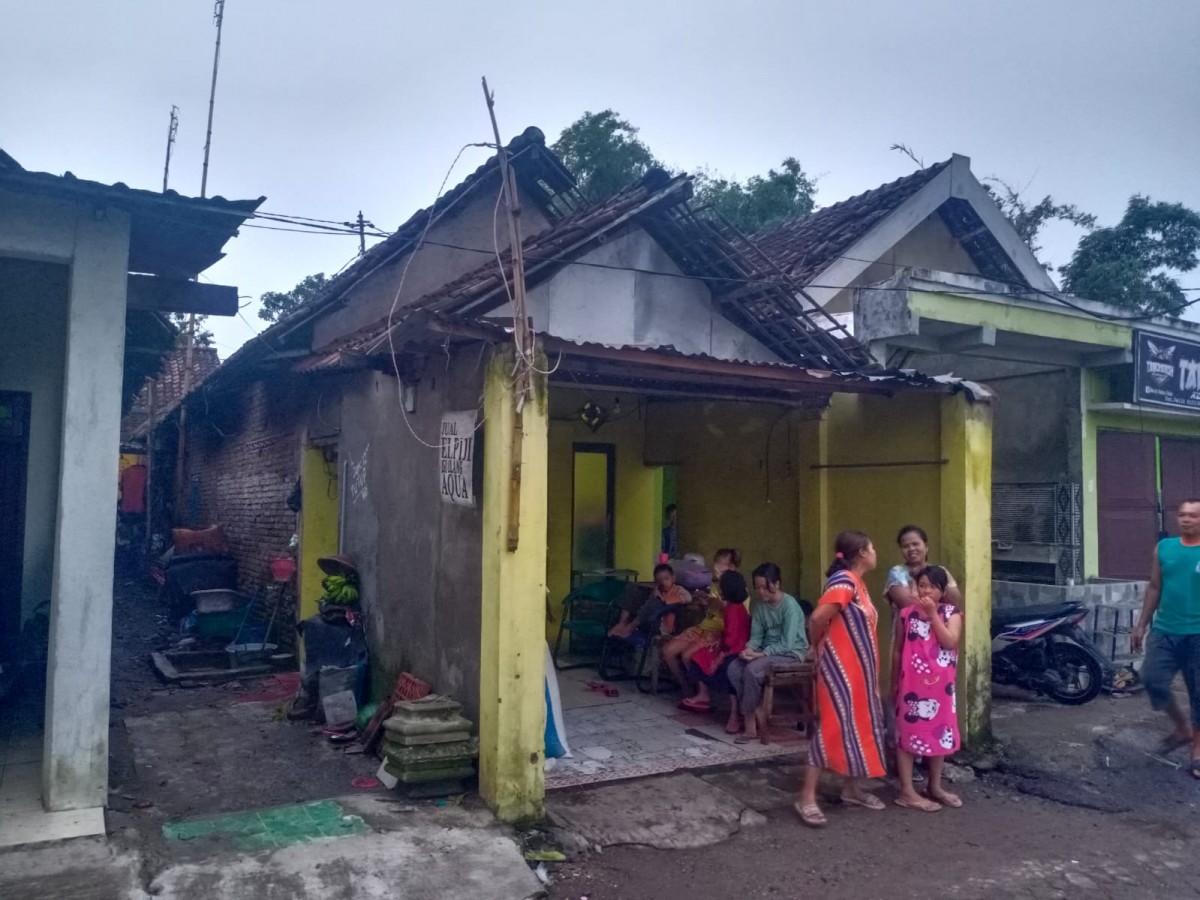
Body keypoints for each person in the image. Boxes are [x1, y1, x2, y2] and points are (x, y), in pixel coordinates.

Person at [796, 531, 887, 827]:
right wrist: (814, 646)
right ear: (861, 552)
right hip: (840, 671)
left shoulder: (859, 583)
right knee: (831, 729)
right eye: (872, 547)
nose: (876, 551)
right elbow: (817, 618)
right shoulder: (845, 582)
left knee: (858, 727)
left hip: (858, 674)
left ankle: (851, 788)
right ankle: (806, 797)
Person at [1131, 498, 1200, 778]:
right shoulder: (1164, 548)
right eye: (1182, 515)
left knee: (1199, 694)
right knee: (1152, 679)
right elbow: (1154, 587)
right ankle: (1181, 728)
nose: (1186, 519)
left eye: (1193, 516)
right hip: (1165, 631)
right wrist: (1140, 625)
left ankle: (1197, 751)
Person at [893, 566, 964, 811]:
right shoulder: (906, 614)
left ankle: (934, 786)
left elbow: (950, 641)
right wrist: (893, 682)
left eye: (932, 587)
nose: (925, 590)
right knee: (907, 735)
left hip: (941, 689)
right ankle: (906, 790)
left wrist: (933, 614)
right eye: (921, 585)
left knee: (938, 731)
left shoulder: (951, 613)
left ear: (942, 591)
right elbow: (897, 650)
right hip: (911, 686)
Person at [726, 563, 809, 743]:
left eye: (765, 587)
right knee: (733, 667)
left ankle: (750, 726)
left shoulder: (790, 606)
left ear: (776, 584)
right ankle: (757, 709)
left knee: (751, 670)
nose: (761, 592)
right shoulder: (759, 607)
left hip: (791, 653)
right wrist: (749, 649)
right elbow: (756, 637)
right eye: (758, 588)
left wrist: (760, 655)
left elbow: (787, 643)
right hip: (765, 653)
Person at [663, 549, 741, 694]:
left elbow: (738, 619)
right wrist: (704, 602)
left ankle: (702, 693)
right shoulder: (714, 586)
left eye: (720, 564)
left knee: (688, 655)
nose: (716, 568)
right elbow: (710, 613)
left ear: (731, 567)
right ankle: (685, 686)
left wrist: (722, 606)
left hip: (719, 631)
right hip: (703, 627)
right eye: (715, 563)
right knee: (668, 651)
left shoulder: (738, 589)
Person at [681, 570, 753, 714]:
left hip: (733, 649)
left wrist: (720, 656)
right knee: (700, 655)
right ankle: (704, 694)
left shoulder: (733, 610)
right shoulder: (734, 607)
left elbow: (732, 638)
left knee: (700, 657)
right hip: (730, 644)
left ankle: (704, 695)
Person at [607, 563, 690, 639]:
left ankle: (629, 628)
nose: (664, 583)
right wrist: (654, 594)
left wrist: (662, 599)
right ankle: (622, 623)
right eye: (660, 580)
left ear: (673, 578)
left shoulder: (678, 589)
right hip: (646, 620)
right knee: (633, 588)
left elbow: (688, 597)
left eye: (666, 579)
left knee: (655, 602)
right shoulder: (659, 589)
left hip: (660, 626)